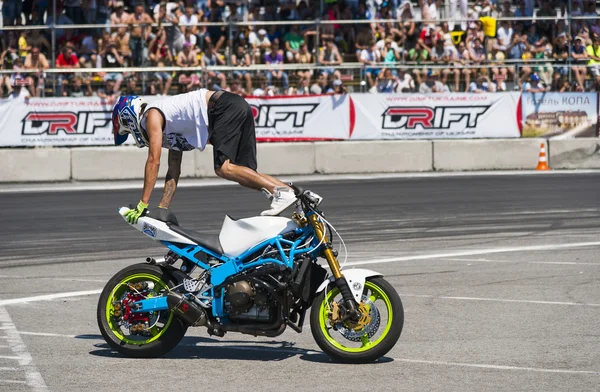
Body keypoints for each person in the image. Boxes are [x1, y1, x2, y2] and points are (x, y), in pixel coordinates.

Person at [111, 91, 298, 223]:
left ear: (128, 118)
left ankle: (278, 193)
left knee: (223, 168)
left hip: (222, 107)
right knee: (245, 174)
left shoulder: (152, 115)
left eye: (127, 130)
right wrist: (162, 210)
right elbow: (173, 168)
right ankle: (294, 193)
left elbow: (154, 161)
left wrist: (143, 204)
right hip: (233, 105)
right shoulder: (169, 123)